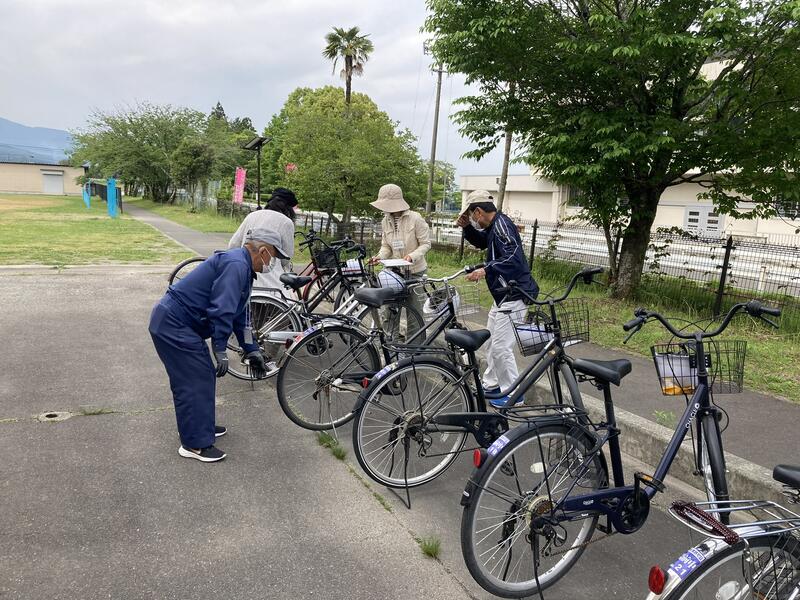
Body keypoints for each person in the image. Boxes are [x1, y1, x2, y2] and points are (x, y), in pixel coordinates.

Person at [149, 229, 289, 462]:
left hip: (179, 323)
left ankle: (200, 426)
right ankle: (194, 444)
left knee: (202, 376)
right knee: (194, 380)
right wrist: (220, 348)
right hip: (172, 324)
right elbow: (222, 310)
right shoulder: (236, 265)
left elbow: (241, 315)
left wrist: (252, 349)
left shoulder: (243, 267)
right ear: (263, 251)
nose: (272, 263)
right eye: (273, 257)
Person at [457, 190, 539, 407]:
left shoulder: (501, 225)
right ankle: (492, 383)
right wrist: (467, 228)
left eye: (471, 216)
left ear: (478, 211)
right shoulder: (495, 225)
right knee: (492, 342)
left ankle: (514, 394)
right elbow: (484, 242)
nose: (472, 219)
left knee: (501, 347)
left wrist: (486, 269)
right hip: (504, 294)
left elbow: (513, 256)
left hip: (515, 294)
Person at [228, 188, 297, 376]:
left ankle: (249, 350)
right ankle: (268, 357)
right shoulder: (286, 222)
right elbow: (286, 256)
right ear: (289, 208)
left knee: (252, 320)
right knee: (282, 318)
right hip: (272, 281)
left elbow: (233, 245)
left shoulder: (253, 215)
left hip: (247, 276)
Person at [368, 183, 431, 337]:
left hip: (415, 272)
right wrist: (379, 257)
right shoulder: (385, 221)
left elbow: (425, 244)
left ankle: (415, 349)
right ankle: (391, 346)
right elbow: (386, 246)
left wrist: (412, 256)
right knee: (390, 311)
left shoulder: (415, 218)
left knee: (415, 315)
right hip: (394, 273)